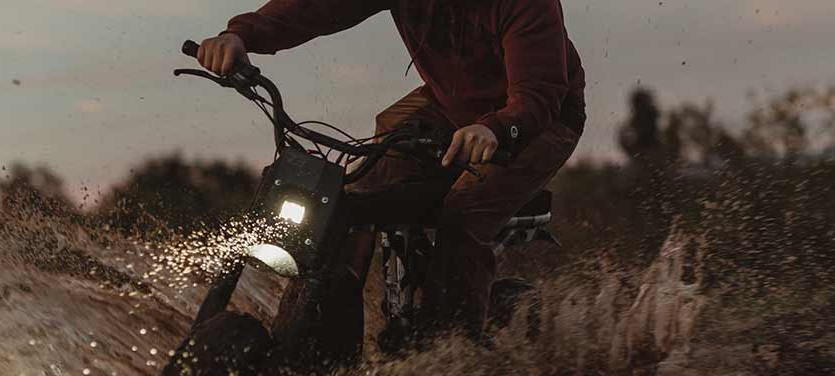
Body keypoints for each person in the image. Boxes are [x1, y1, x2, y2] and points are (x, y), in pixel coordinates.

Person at [195, 0, 586, 340]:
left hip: (538, 123)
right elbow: (314, 7)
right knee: (349, 197)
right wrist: (241, 35)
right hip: (447, 105)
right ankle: (320, 332)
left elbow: (538, 95)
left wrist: (496, 128)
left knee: (464, 213)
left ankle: (450, 352)